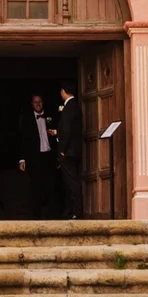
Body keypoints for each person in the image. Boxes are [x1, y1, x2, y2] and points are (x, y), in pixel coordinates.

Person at [24, 91, 61, 219]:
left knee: (51, 187)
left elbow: (61, 132)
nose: (38, 104)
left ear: (43, 103)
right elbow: (22, 140)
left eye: (39, 102)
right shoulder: (26, 119)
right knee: (36, 188)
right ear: (32, 104)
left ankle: (52, 217)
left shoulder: (51, 117)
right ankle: (36, 217)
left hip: (49, 156)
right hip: (35, 158)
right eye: (35, 102)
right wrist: (22, 159)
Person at [54, 84, 85, 218]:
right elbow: (69, 129)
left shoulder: (69, 107)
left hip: (68, 152)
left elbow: (67, 130)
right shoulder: (75, 106)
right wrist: (57, 132)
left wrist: (62, 150)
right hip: (73, 150)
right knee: (69, 182)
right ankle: (70, 211)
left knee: (71, 182)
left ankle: (76, 212)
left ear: (63, 91)